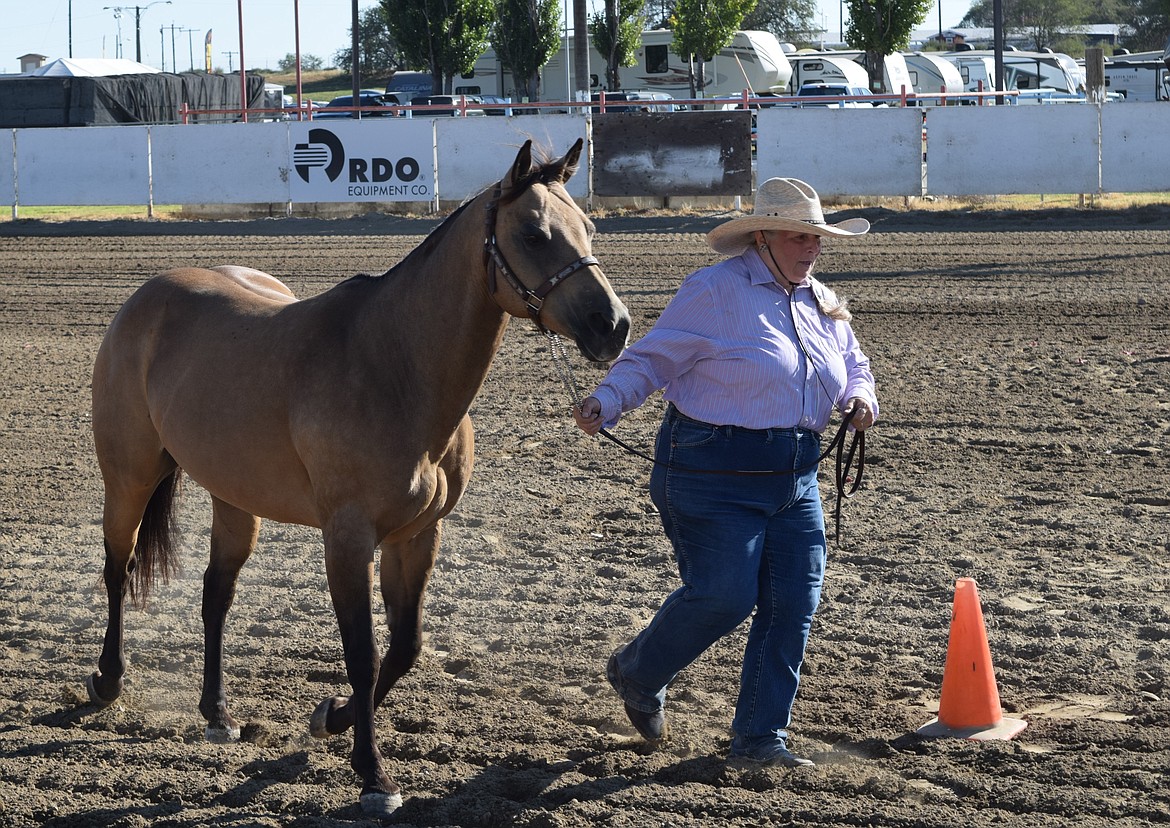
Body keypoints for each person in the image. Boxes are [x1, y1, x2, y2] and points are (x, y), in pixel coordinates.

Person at [573, 177, 878, 767]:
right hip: (709, 469)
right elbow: (652, 357)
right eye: (798, 236)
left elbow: (854, 363)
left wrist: (860, 398)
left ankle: (761, 739)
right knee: (724, 595)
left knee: (793, 604)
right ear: (761, 237)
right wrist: (607, 401)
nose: (811, 248)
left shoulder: (820, 299)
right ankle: (637, 672)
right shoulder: (714, 290)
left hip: (795, 477)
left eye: (817, 238)